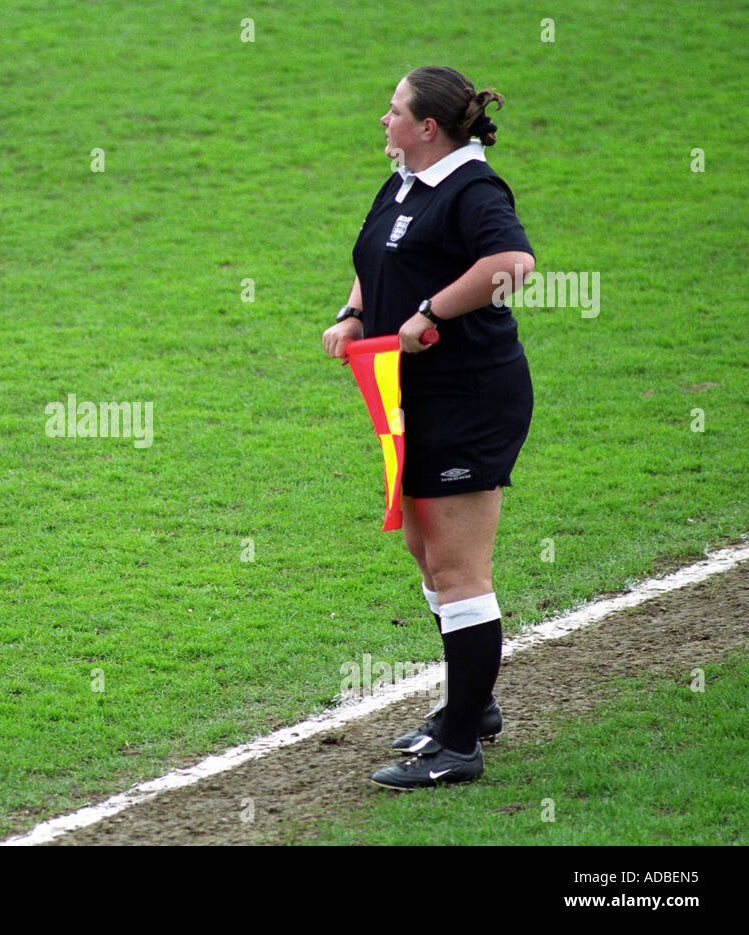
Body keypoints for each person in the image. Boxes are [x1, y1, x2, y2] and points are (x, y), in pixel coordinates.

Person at [321, 66, 536, 789]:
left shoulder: (473, 190)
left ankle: (459, 747)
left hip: (469, 396)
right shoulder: (405, 182)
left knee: (458, 567)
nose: (383, 121)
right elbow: (377, 256)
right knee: (424, 547)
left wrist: (435, 311)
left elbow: (512, 264)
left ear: (428, 128)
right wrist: (354, 313)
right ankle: (469, 708)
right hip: (410, 397)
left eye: (393, 111)